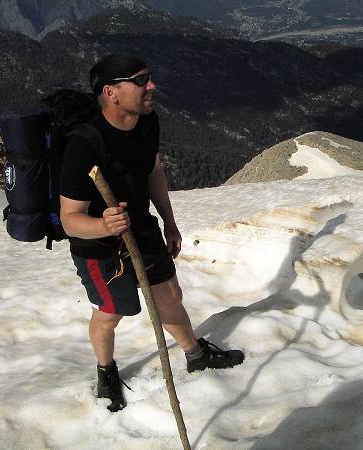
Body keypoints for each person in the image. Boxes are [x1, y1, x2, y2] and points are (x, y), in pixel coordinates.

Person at [59, 54, 244, 412]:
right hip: (99, 246)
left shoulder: (147, 123)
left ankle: (195, 354)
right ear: (111, 93)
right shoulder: (85, 144)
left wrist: (169, 222)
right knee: (112, 312)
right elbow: (70, 218)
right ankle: (106, 371)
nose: (151, 86)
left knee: (169, 295)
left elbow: (151, 173)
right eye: (140, 80)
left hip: (141, 228)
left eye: (149, 77)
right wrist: (103, 225)